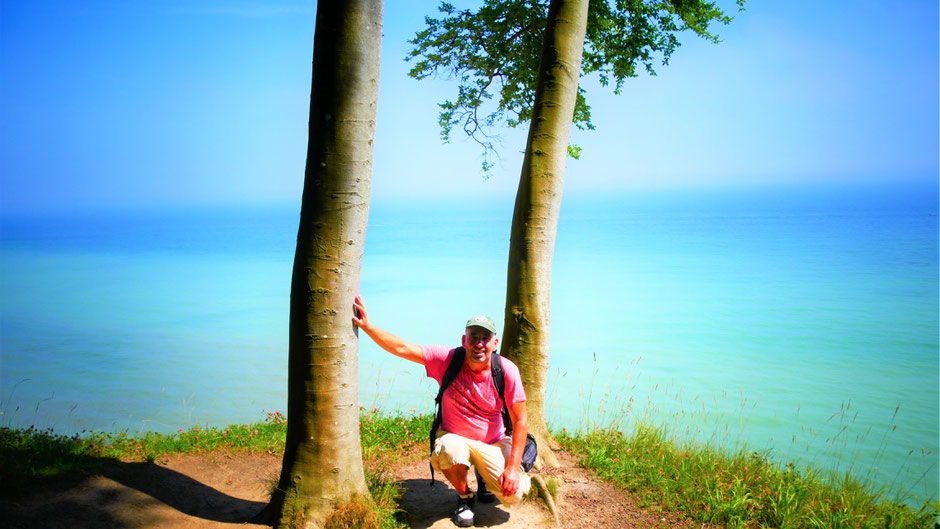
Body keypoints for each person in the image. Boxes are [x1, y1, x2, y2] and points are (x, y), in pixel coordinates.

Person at [353, 295, 532, 527]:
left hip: (493, 443)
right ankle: (465, 496)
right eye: (473, 337)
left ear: (494, 343)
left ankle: (485, 478)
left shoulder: (506, 371)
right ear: (464, 340)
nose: (479, 343)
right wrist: (367, 326)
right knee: (449, 449)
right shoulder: (448, 360)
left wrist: (511, 469)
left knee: (514, 494)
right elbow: (402, 347)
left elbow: (520, 420)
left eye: (485, 338)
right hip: (455, 438)